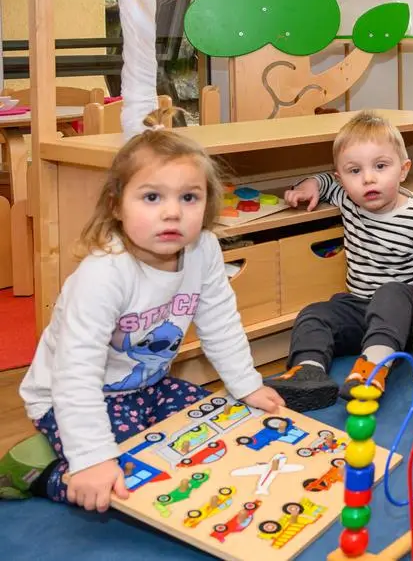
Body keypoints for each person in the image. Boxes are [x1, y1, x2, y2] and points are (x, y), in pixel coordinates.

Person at [16, 129, 284, 510]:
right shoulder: (104, 274)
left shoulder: (203, 248)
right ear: (116, 205)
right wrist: (92, 457)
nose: (172, 212)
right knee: (138, 482)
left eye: (189, 197)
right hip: (70, 397)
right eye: (152, 197)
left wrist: (247, 385)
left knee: (224, 435)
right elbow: (75, 374)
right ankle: (42, 474)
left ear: (207, 205)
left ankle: (72, 447)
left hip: (150, 387)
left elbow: (220, 322)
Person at [267, 111, 413, 411]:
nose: (368, 178)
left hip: (406, 315)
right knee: (315, 313)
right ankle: (308, 372)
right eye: (354, 171)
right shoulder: (348, 198)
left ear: (403, 170)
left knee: (391, 292)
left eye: (381, 166)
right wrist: (309, 186)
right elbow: (323, 182)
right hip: (359, 305)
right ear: (341, 178)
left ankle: (372, 367)